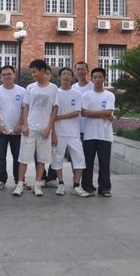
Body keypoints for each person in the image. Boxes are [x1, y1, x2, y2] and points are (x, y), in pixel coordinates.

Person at [15, 59, 57, 197]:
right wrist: (25, 125)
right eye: (31, 72)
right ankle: (20, 184)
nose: (32, 74)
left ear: (43, 71)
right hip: (30, 127)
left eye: (34, 72)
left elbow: (54, 109)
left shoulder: (53, 88)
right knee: (24, 157)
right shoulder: (30, 87)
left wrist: (49, 127)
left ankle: (37, 184)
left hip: (44, 128)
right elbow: (26, 106)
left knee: (42, 158)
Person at [50, 67, 90, 197]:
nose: (66, 76)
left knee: (80, 159)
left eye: (68, 74)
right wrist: (53, 133)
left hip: (73, 133)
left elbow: (76, 113)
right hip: (58, 132)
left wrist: (58, 117)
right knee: (57, 159)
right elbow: (51, 114)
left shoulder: (77, 94)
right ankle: (61, 184)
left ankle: (76, 185)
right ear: (59, 77)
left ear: (72, 77)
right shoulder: (55, 93)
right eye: (64, 74)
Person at [81, 67, 115, 197]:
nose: (97, 79)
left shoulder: (109, 95)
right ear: (91, 79)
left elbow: (109, 112)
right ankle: (87, 186)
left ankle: (105, 188)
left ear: (104, 78)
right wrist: (103, 114)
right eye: (95, 77)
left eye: (100, 77)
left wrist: (92, 113)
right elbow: (84, 113)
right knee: (88, 163)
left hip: (104, 134)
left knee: (104, 163)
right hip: (89, 134)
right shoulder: (86, 95)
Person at [0, 65, 25, 190]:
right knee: (0, 156)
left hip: (17, 131)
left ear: (14, 75)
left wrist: (20, 124)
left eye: (9, 74)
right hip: (1, 130)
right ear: (1, 76)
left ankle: (19, 180)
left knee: (18, 156)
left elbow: (24, 109)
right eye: (4, 74)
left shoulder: (22, 91)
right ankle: (1, 179)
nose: (7, 76)